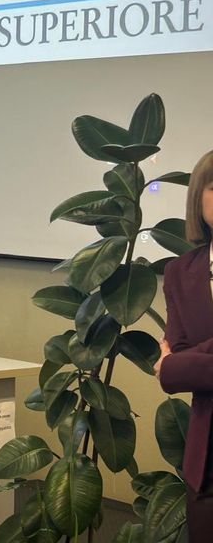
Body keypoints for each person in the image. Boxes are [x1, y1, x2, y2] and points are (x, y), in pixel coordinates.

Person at [156, 149, 213, 539]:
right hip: (206, 461)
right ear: (198, 197)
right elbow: (176, 356)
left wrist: (177, 366)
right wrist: (178, 366)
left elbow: (173, 365)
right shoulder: (180, 272)